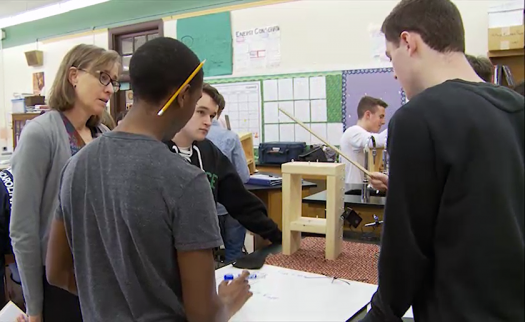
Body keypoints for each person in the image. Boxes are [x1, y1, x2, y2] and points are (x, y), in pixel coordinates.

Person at [45, 37, 252, 322]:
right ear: (183, 96)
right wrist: (227, 302)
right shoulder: (186, 181)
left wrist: (110, 297)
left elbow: (56, 272)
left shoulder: (75, 165)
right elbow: (203, 316)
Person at [362, 0, 524, 321]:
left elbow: (405, 249)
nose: (394, 73)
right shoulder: (516, 106)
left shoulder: (417, 118)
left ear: (409, 42)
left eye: (390, 57)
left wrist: (379, 315)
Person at [11, 44, 119, 322]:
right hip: (58, 281)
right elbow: (23, 228)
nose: (109, 89)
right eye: (103, 77)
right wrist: (34, 307)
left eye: (113, 81)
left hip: (101, 276)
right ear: (74, 76)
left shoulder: (103, 134)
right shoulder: (41, 134)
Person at [165, 86, 282, 257]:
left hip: (200, 256)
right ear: (182, 105)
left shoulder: (209, 153)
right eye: (201, 112)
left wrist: (279, 237)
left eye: (212, 116)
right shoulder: (157, 151)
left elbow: (241, 202)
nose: (207, 121)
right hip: (162, 260)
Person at [201, 83, 251, 262]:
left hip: (205, 209)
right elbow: (244, 176)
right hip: (229, 207)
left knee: (206, 257)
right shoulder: (230, 137)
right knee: (234, 253)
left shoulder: (191, 137)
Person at [340, 96, 388, 184]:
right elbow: (377, 141)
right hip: (353, 193)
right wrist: (400, 122)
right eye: (381, 117)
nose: (383, 122)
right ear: (368, 115)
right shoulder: (353, 132)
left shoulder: (364, 135)